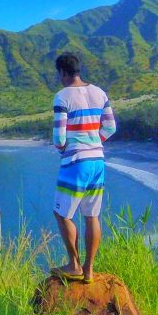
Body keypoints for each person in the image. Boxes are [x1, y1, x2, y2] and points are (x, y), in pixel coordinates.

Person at [50, 52, 116, 284]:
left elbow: (59, 137)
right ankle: (88, 271)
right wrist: (93, 142)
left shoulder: (62, 97)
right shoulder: (100, 93)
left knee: (61, 213)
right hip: (98, 161)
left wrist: (66, 150)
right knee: (92, 216)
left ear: (63, 72)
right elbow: (110, 128)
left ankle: (74, 264)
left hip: (75, 162)